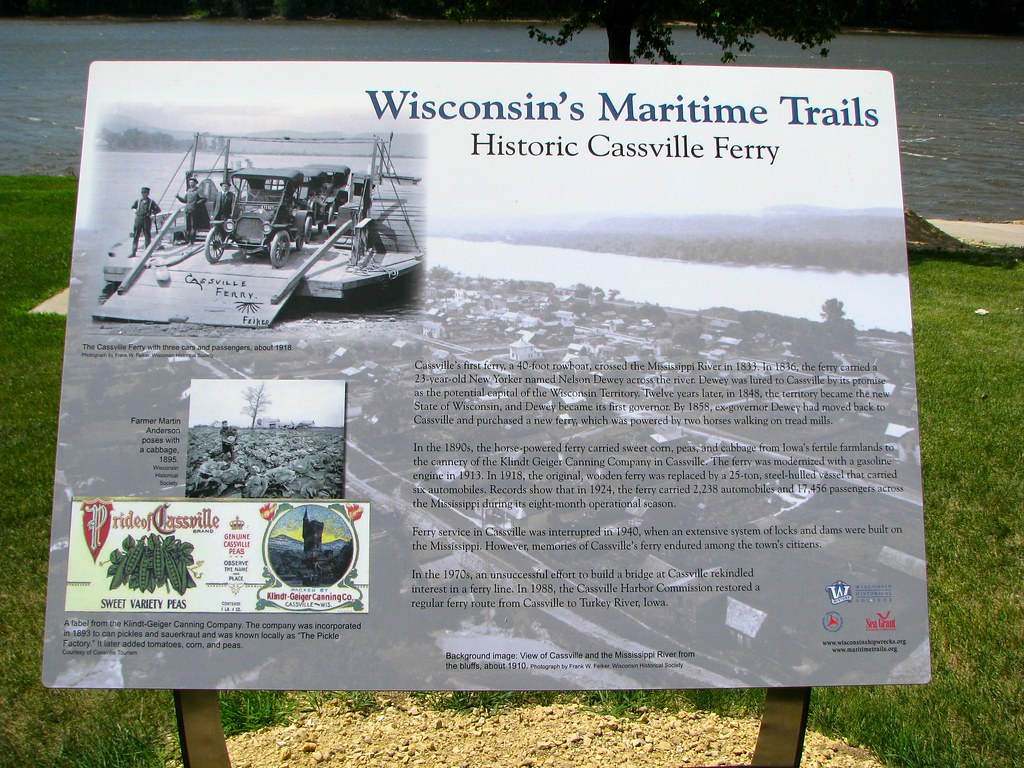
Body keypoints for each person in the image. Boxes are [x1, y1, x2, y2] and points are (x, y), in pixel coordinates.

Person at [130, 186, 161, 257]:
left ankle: (147, 253)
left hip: (146, 220)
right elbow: (132, 207)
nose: (143, 194)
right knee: (136, 236)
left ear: (148, 194)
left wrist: (152, 213)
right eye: (142, 193)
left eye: (145, 193)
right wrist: (135, 211)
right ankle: (133, 252)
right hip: (138, 219)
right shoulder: (137, 201)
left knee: (147, 236)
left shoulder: (151, 202)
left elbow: (158, 210)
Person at [175, 176, 207, 244]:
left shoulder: (198, 190)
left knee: (193, 226)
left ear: (195, 183)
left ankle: (191, 241)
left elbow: (204, 199)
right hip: (187, 210)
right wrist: (178, 197)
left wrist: (196, 203)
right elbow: (185, 200)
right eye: (190, 182)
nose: (191, 183)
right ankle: (187, 240)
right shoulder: (188, 191)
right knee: (188, 226)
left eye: (192, 182)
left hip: (194, 211)